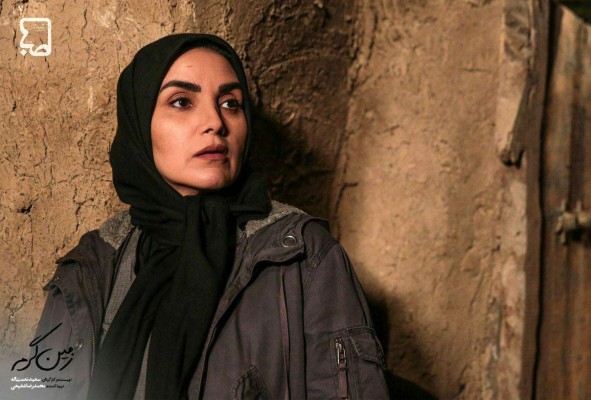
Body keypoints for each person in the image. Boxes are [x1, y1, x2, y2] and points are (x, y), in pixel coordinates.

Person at [28, 33, 390, 400]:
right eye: (182, 102)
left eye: (231, 104)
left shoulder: (302, 254)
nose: (215, 122)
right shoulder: (93, 263)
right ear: (139, 124)